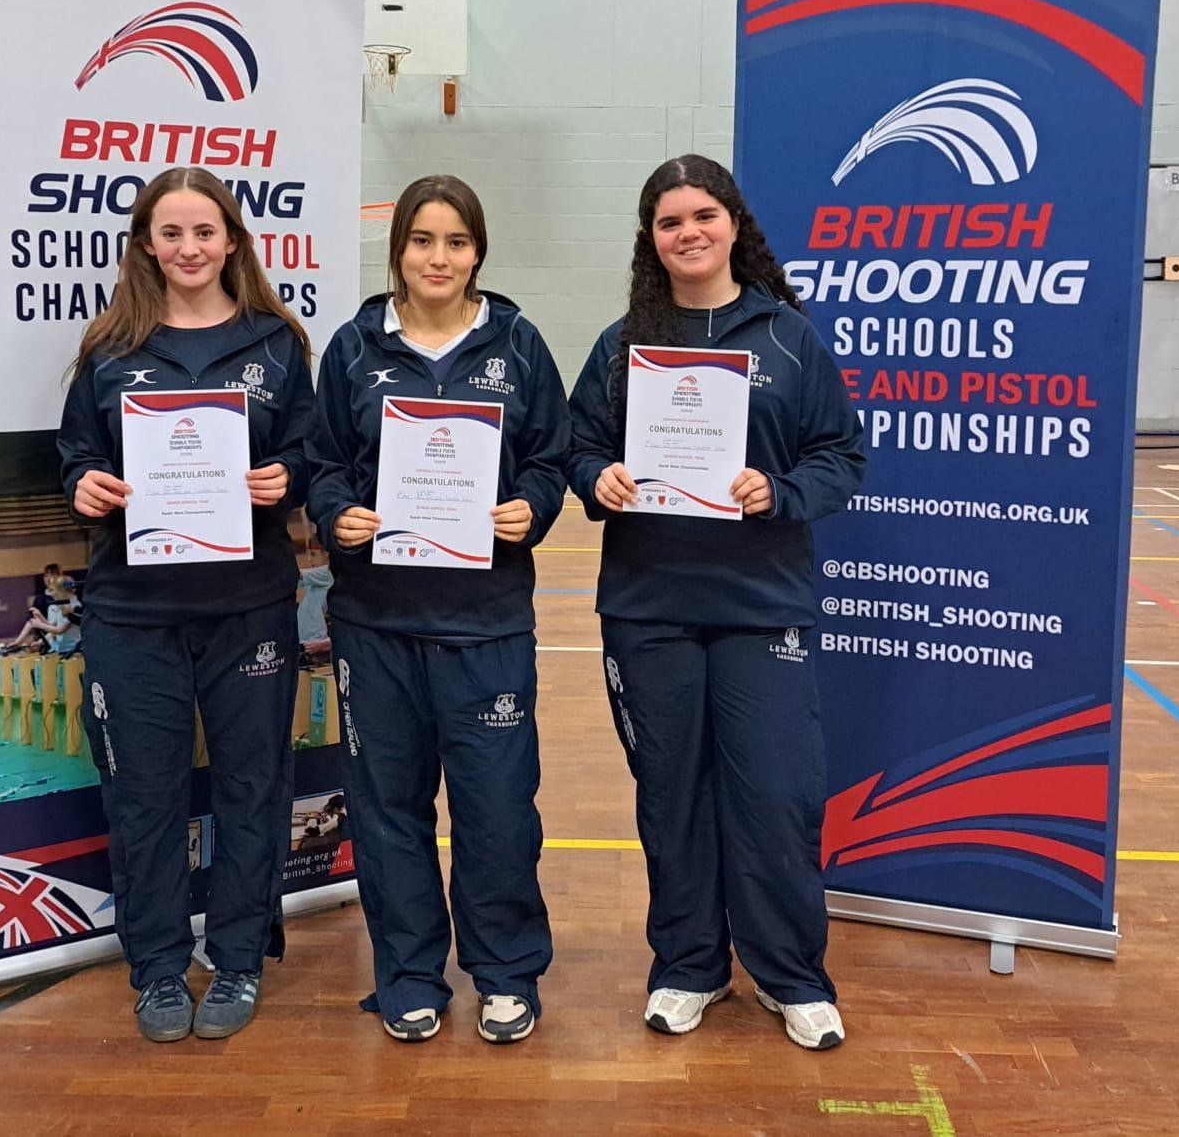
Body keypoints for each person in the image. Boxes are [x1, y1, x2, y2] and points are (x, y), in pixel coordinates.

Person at [566, 155, 865, 1049]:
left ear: (733, 223)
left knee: (775, 796)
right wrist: (597, 477)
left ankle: (790, 975)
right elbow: (575, 446)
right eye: (669, 222)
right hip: (647, 608)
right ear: (649, 240)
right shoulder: (622, 344)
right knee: (671, 797)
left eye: (702, 215)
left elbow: (839, 456)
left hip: (760, 604)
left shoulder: (786, 338)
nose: (687, 233)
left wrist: (779, 490)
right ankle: (688, 966)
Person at [306, 174, 569, 1045]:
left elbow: (550, 458)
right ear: (398, 250)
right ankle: (410, 976)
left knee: (498, 810)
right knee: (388, 811)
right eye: (422, 240)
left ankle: (505, 974)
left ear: (477, 252)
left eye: (455, 242)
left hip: (486, 621)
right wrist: (335, 514)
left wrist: (532, 506)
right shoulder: (354, 347)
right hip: (376, 622)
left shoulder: (518, 344)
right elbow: (323, 463)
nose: (438, 258)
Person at [57, 165, 314, 1044]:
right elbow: (76, 455)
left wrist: (286, 478)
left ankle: (238, 957)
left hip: (249, 606)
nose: (189, 248)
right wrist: (85, 484)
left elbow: (309, 453)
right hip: (133, 611)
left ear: (232, 240)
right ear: (146, 245)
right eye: (171, 233)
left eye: (205, 231)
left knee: (252, 787)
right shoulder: (109, 347)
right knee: (144, 796)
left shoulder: (276, 343)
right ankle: (159, 969)